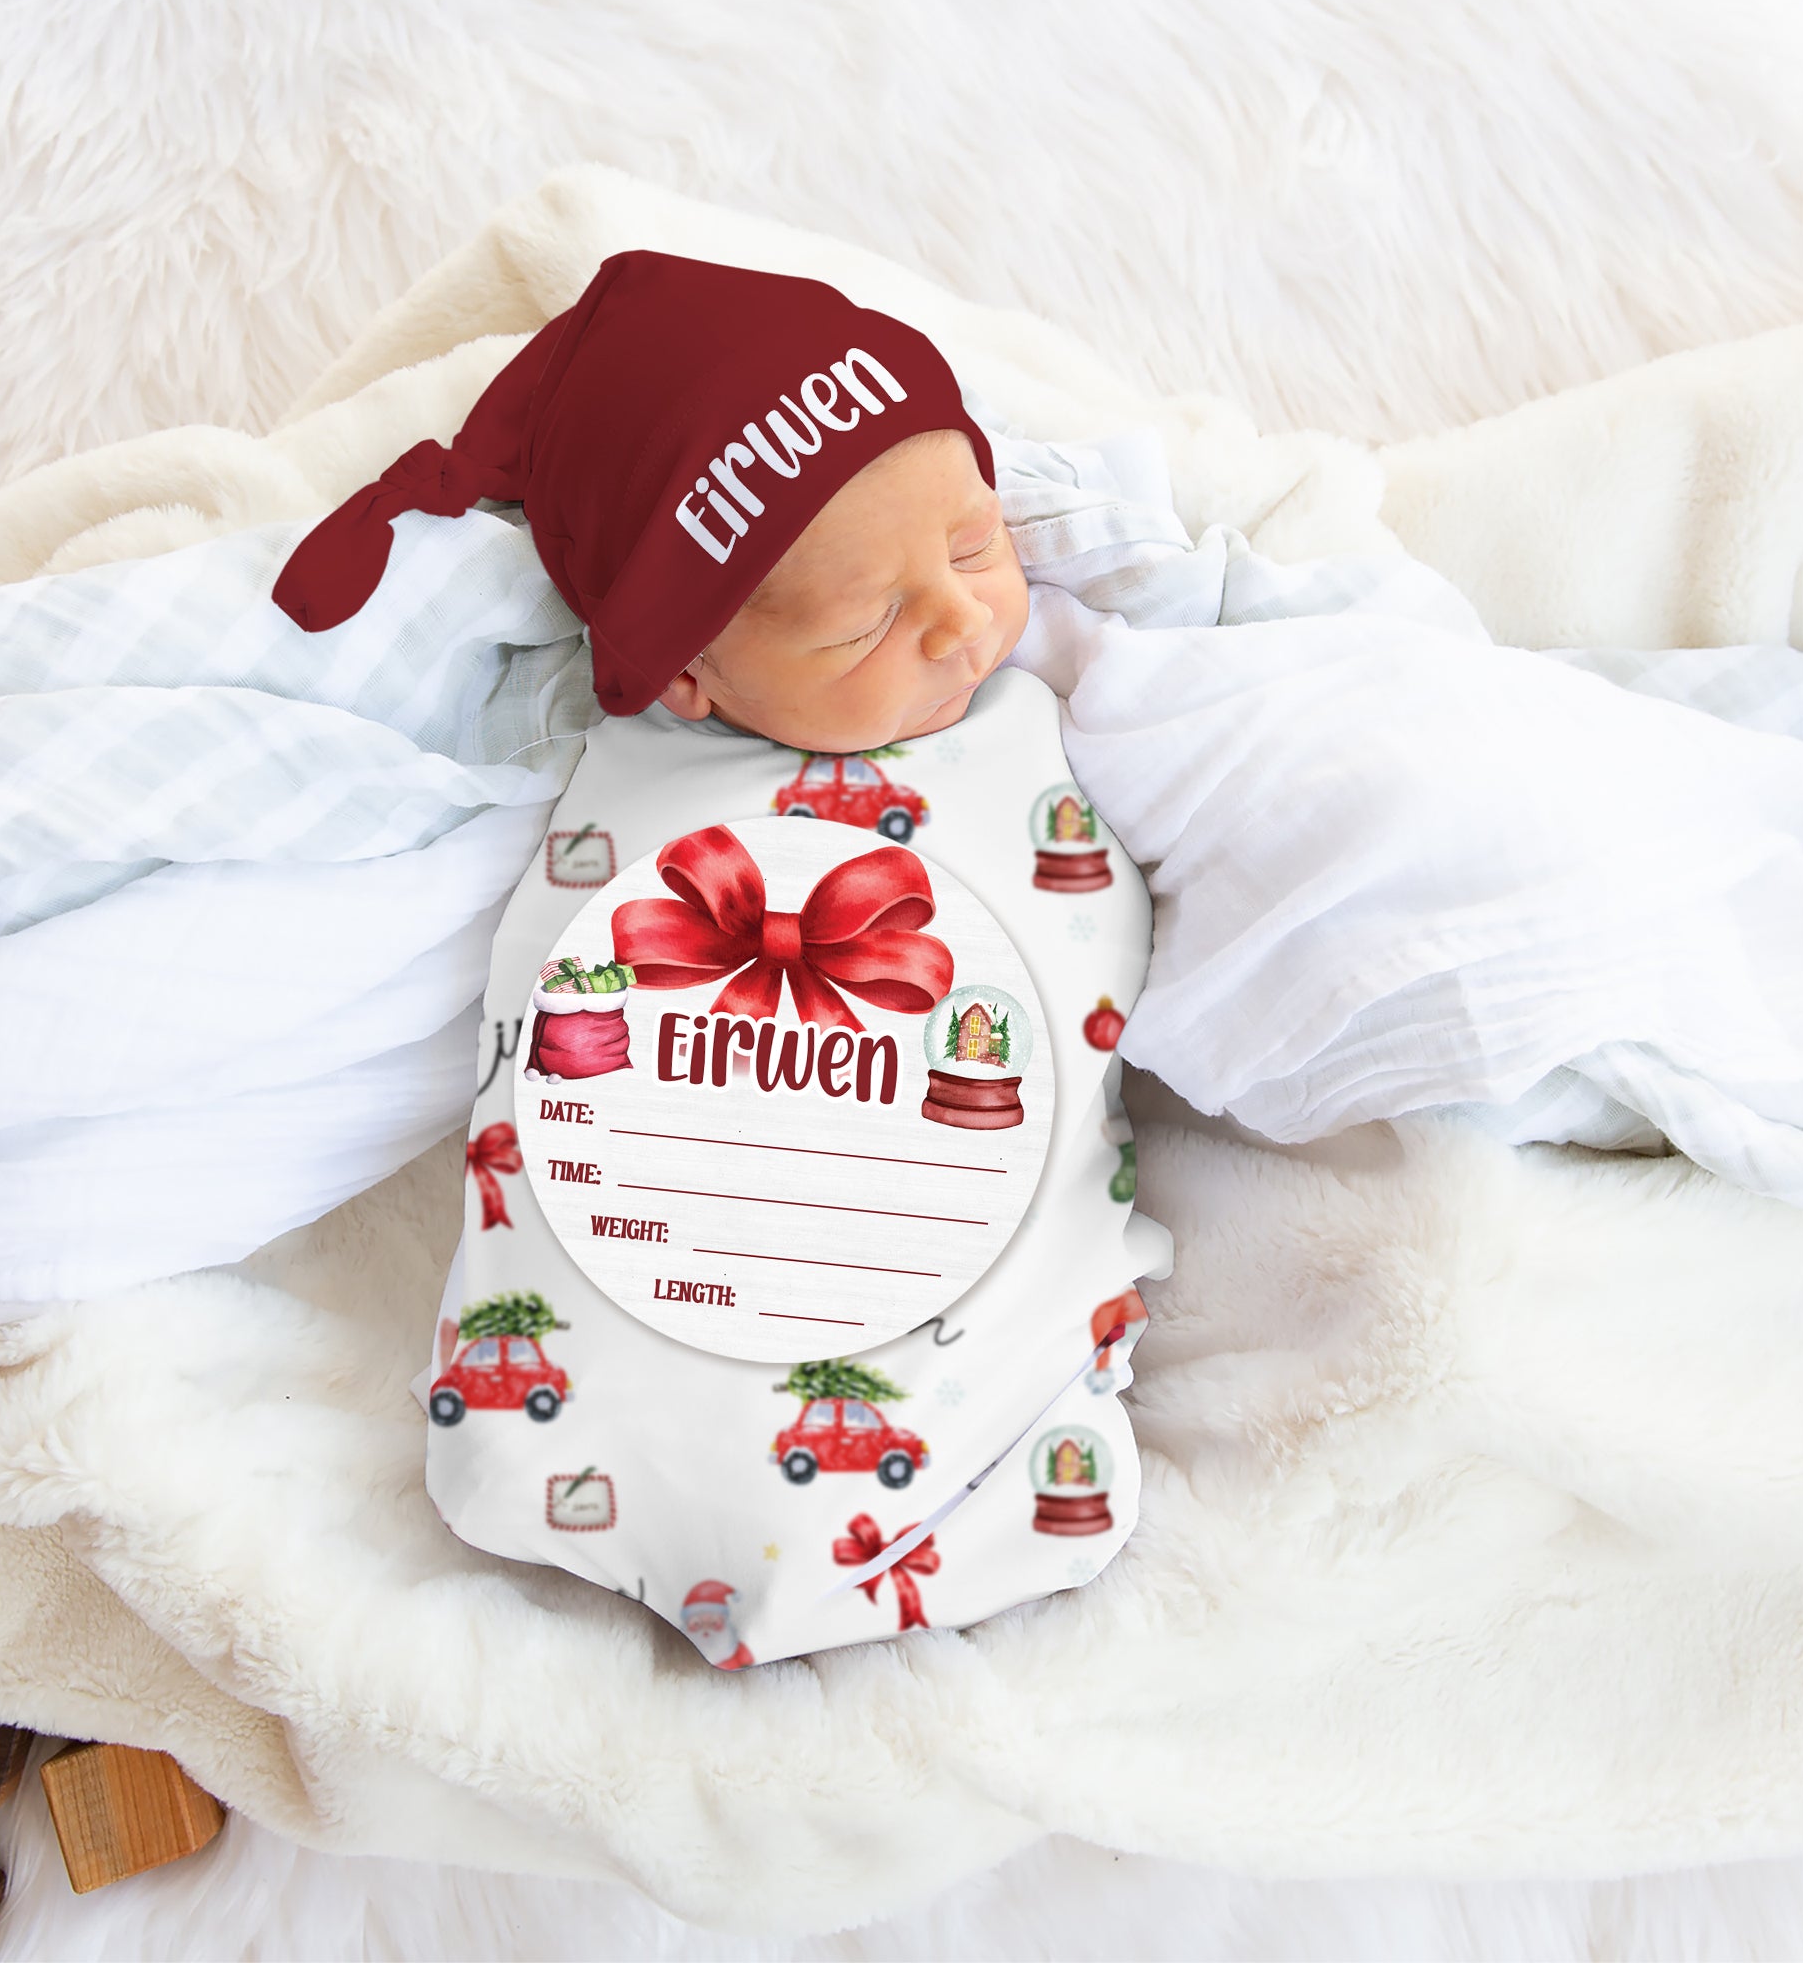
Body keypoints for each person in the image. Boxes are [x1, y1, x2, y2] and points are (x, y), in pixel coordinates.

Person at [275, 250, 1167, 1667]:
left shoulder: (1050, 707)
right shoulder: (624, 777)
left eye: (978, 544)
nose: (956, 621)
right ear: (689, 677)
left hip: (963, 1340)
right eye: (862, 622)